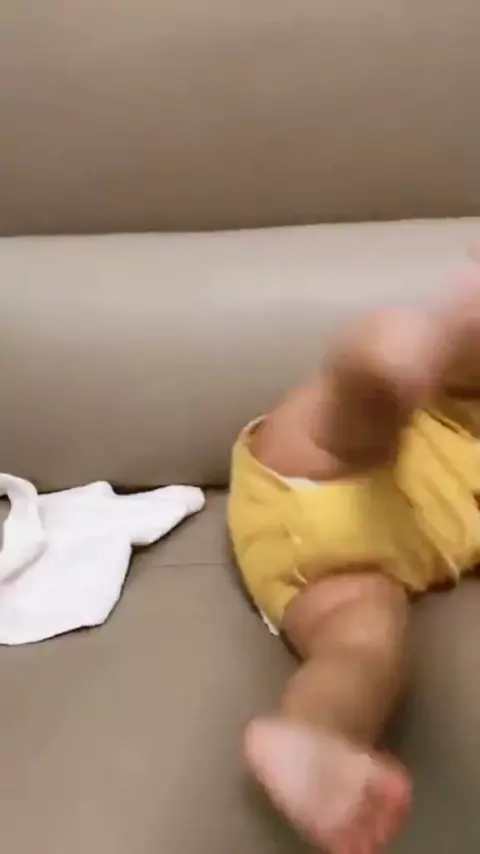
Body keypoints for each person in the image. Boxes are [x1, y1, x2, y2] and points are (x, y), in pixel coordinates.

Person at [228, 265, 480, 853]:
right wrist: (448, 341)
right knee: (370, 405)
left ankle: (312, 737)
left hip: (348, 566)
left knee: (363, 651)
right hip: (334, 459)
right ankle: (381, 362)